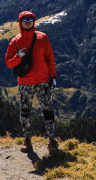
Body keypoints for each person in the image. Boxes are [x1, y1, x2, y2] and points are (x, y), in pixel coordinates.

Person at [5, 10, 58, 152]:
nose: (28, 21)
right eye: (25, 19)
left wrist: (53, 77)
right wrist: (18, 56)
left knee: (48, 110)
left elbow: (50, 58)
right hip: (25, 82)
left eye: (30, 18)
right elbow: (9, 63)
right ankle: (27, 139)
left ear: (33, 21)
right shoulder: (15, 41)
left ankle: (51, 139)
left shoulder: (43, 38)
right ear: (20, 22)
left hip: (43, 81)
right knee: (25, 111)